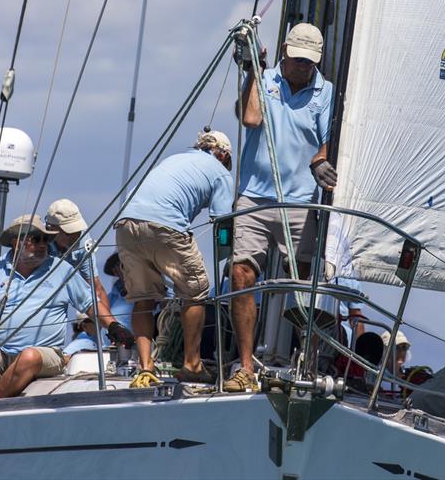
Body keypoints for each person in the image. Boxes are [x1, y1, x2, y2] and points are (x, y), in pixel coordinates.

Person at [228, 22, 336, 392]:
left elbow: (326, 142)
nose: (302, 67)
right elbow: (250, 118)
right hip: (255, 197)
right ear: (284, 52)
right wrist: (251, 73)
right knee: (241, 275)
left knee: (307, 283)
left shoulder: (326, 92)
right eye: (297, 60)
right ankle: (244, 366)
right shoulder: (266, 79)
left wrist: (321, 161)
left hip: (300, 201)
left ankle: (308, 360)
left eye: (309, 62)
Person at [0, 214, 133, 398]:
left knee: (29, 357)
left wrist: (114, 326)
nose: (43, 244)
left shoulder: (62, 269)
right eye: (36, 239)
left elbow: (91, 304)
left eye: (46, 239)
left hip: (45, 354)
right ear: (17, 242)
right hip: (1, 352)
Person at [114, 130, 233, 388]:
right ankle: (192, 364)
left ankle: (145, 368)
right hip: (165, 225)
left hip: (125, 224)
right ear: (223, 155)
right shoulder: (221, 172)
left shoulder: (177, 159)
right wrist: (229, 260)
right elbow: (223, 225)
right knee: (196, 291)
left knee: (142, 297)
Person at [45, 199, 109, 308]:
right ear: (51, 229)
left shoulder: (84, 242)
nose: (76, 236)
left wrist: (111, 324)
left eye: (77, 230)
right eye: (70, 232)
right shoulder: (37, 243)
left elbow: (96, 288)